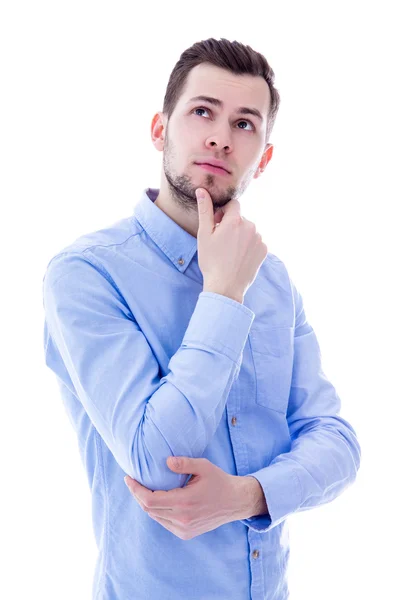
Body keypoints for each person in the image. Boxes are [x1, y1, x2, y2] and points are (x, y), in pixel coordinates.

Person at [42, 37, 361, 600]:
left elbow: (335, 440)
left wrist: (250, 495)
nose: (220, 135)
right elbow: (157, 461)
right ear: (160, 129)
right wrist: (223, 295)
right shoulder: (86, 274)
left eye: (245, 123)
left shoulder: (274, 279)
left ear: (262, 157)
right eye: (202, 111)